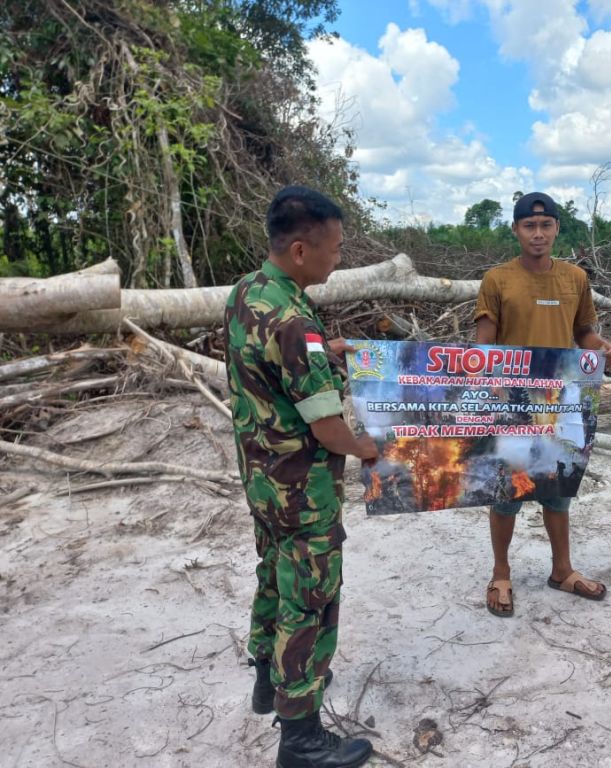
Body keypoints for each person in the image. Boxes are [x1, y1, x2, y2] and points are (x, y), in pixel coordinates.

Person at [225, 186, 378, 768]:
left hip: (262, 479)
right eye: (335, 249)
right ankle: (302, 736)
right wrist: (371, 449)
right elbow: (329, 429)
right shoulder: (295, 320)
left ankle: (268, 678)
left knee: (273, 574)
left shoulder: (248, 293)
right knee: (310, 599)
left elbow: (268, 364)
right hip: (302, 488)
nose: (338, 259)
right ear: (298, 250)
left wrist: (324, 347)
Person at [473, 191, 611, 618]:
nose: (538, 234)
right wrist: (490, 384)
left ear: (557, 228)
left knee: (559, 489)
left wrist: (605, 350)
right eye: (529, 226)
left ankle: (562, 570)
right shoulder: (497, 280)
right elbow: (483, 345)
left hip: (563, 400)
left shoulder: (575, 278)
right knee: (507, 492)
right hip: (513, 401)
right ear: (516, 230)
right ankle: (501, 573)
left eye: (546, 226)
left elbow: (584, 335)